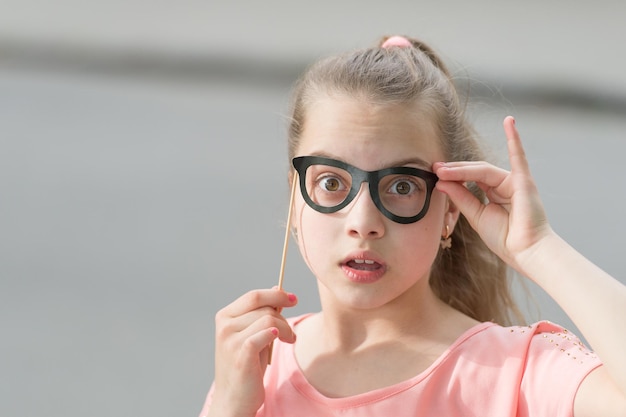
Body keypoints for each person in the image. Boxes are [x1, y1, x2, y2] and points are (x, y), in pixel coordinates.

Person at [199, 35, 626, 416]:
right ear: (296, 199)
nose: (364, 223)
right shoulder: (255, 368)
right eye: (331, 182)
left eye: (402, 185)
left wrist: (540, 249)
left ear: (450, 210)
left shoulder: (513, 373)